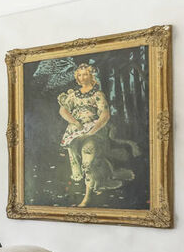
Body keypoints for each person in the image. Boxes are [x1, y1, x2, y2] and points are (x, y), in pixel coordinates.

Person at [57, 63, 136, 206]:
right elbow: (63, 111)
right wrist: (75, 122)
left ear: (91, 76)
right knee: (79, 161)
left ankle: (87, 198)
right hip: (75, 133)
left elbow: (105, 115)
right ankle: (101, 179)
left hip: (94, 132)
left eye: (85, 74)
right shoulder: (73, 95)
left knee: (87, 163)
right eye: (79, 75)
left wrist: (91, 131)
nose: (82, 77)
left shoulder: (98, 94)